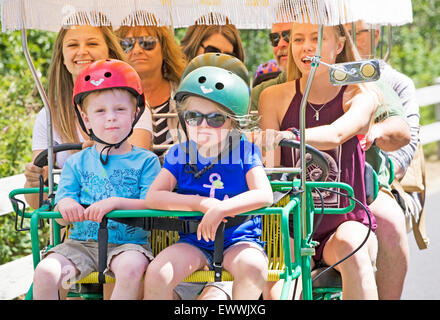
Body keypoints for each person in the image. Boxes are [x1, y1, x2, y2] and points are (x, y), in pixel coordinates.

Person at [259, 21, 381, 299]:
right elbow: (273, 174)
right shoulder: (273, 97)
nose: (307, 46)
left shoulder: (360, 94)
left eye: (317, 38)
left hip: (344, 223)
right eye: (298, 39)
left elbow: (338, 133)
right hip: (293, 225)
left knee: (354, 248)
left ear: (339, 46)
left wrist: (287, 134)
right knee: (277, 287)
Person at [32, 59, 161, 300]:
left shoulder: (146, 161)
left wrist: (115, 202)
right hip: (81, 247)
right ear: (86, 118)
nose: (111, 118)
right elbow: (63, 204)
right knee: (47, 272)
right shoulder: (76, 163)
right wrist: (66, 205)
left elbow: (152, 204)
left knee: (131, 269)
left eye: (120, 110)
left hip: (128, 246)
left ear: (135, 114)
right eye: (100, 111)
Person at [143, 65, 273, 300]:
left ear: (233, 123)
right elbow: (154, 196)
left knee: (253, 267)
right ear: (184, 120)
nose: (203, 125)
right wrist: (199, 203)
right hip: (194, 241)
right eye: (193, 117)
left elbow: (264, 195)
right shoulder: (179, 154)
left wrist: (222, 208)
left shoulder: (244, 152)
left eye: (215, 119)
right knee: (158, 273)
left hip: (238, 240)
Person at [23, 19, 136, 210]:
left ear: (109, 50)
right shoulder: (49, 116)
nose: (82, 51)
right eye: (73, 45)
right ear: (62, 56)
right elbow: (38, 204)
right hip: (75, 228)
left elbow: (133, 177)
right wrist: (34, 182)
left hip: (126, 225)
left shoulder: (132, 107)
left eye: (92, 43)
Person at [346, 20, 420, 300]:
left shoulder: (390, 84)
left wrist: (382, 171)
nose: (352, 39)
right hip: (321, 182)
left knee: (389, 220)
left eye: (358, 33)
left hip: (378, 177)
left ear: (375, 35)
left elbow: (405, 145)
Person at [115, 12, 187, 156]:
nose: (137, 50)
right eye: (127, 44)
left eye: (147, 42)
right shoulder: (111, 99)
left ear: (164, 49)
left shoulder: (186, 94)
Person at [180, 13, 245, 63]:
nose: (219, 61)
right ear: (193, 47)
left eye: (228, 56)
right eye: (212, 51)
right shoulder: (174, 78)